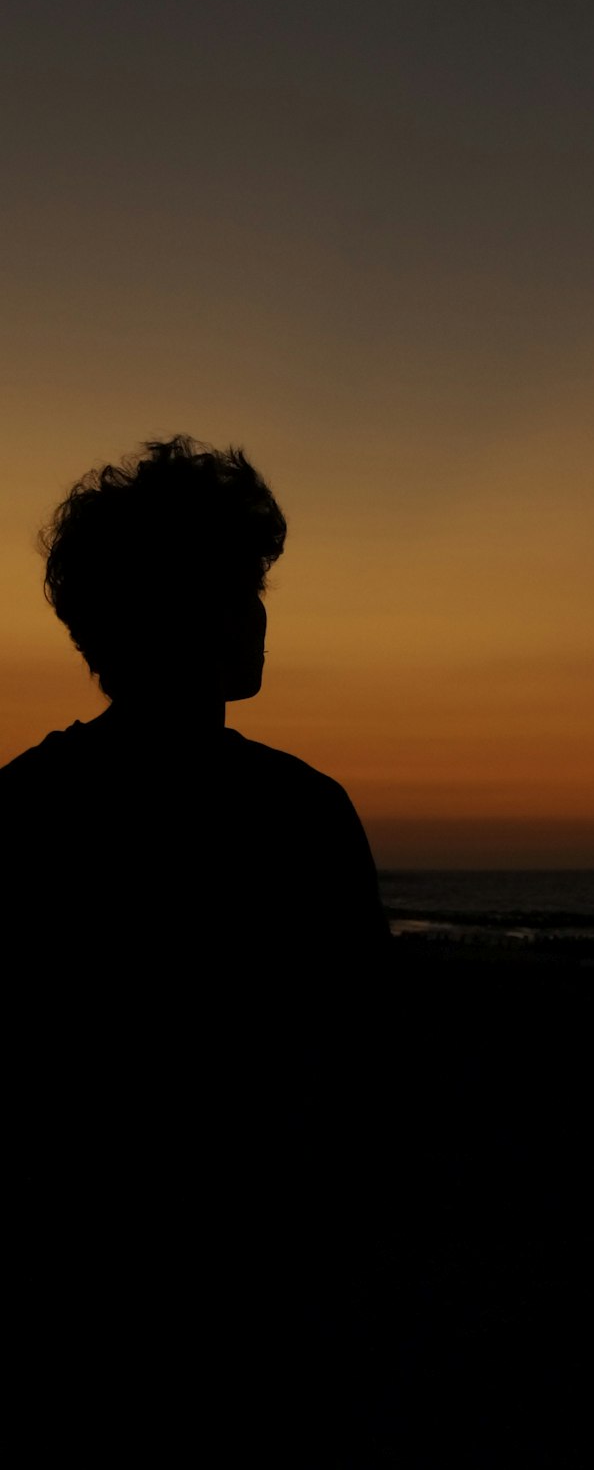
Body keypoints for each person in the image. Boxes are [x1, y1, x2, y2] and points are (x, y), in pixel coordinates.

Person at [1, 435, 390, 1454]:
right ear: (164, 611)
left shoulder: (26, 809)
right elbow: (355, 1076)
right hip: (241, 1308)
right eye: (231, 586)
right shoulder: (300, 815)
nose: (256, 614)